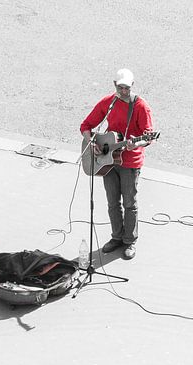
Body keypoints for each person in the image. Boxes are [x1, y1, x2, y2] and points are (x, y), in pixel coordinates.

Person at [80, 68, 155, 260]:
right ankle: (117, 237)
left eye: (127, 88)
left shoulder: (141, 106)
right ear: (115, 84)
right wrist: (91, 143)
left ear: (132, 85)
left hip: (130, 162)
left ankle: (130, 241)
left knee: (129, 203)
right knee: (113, 202)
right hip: (109, 162)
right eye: (120, 87)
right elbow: (86, 126)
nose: (123, 91)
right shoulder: (108, 102)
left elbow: (148, 136)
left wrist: (135, 143)